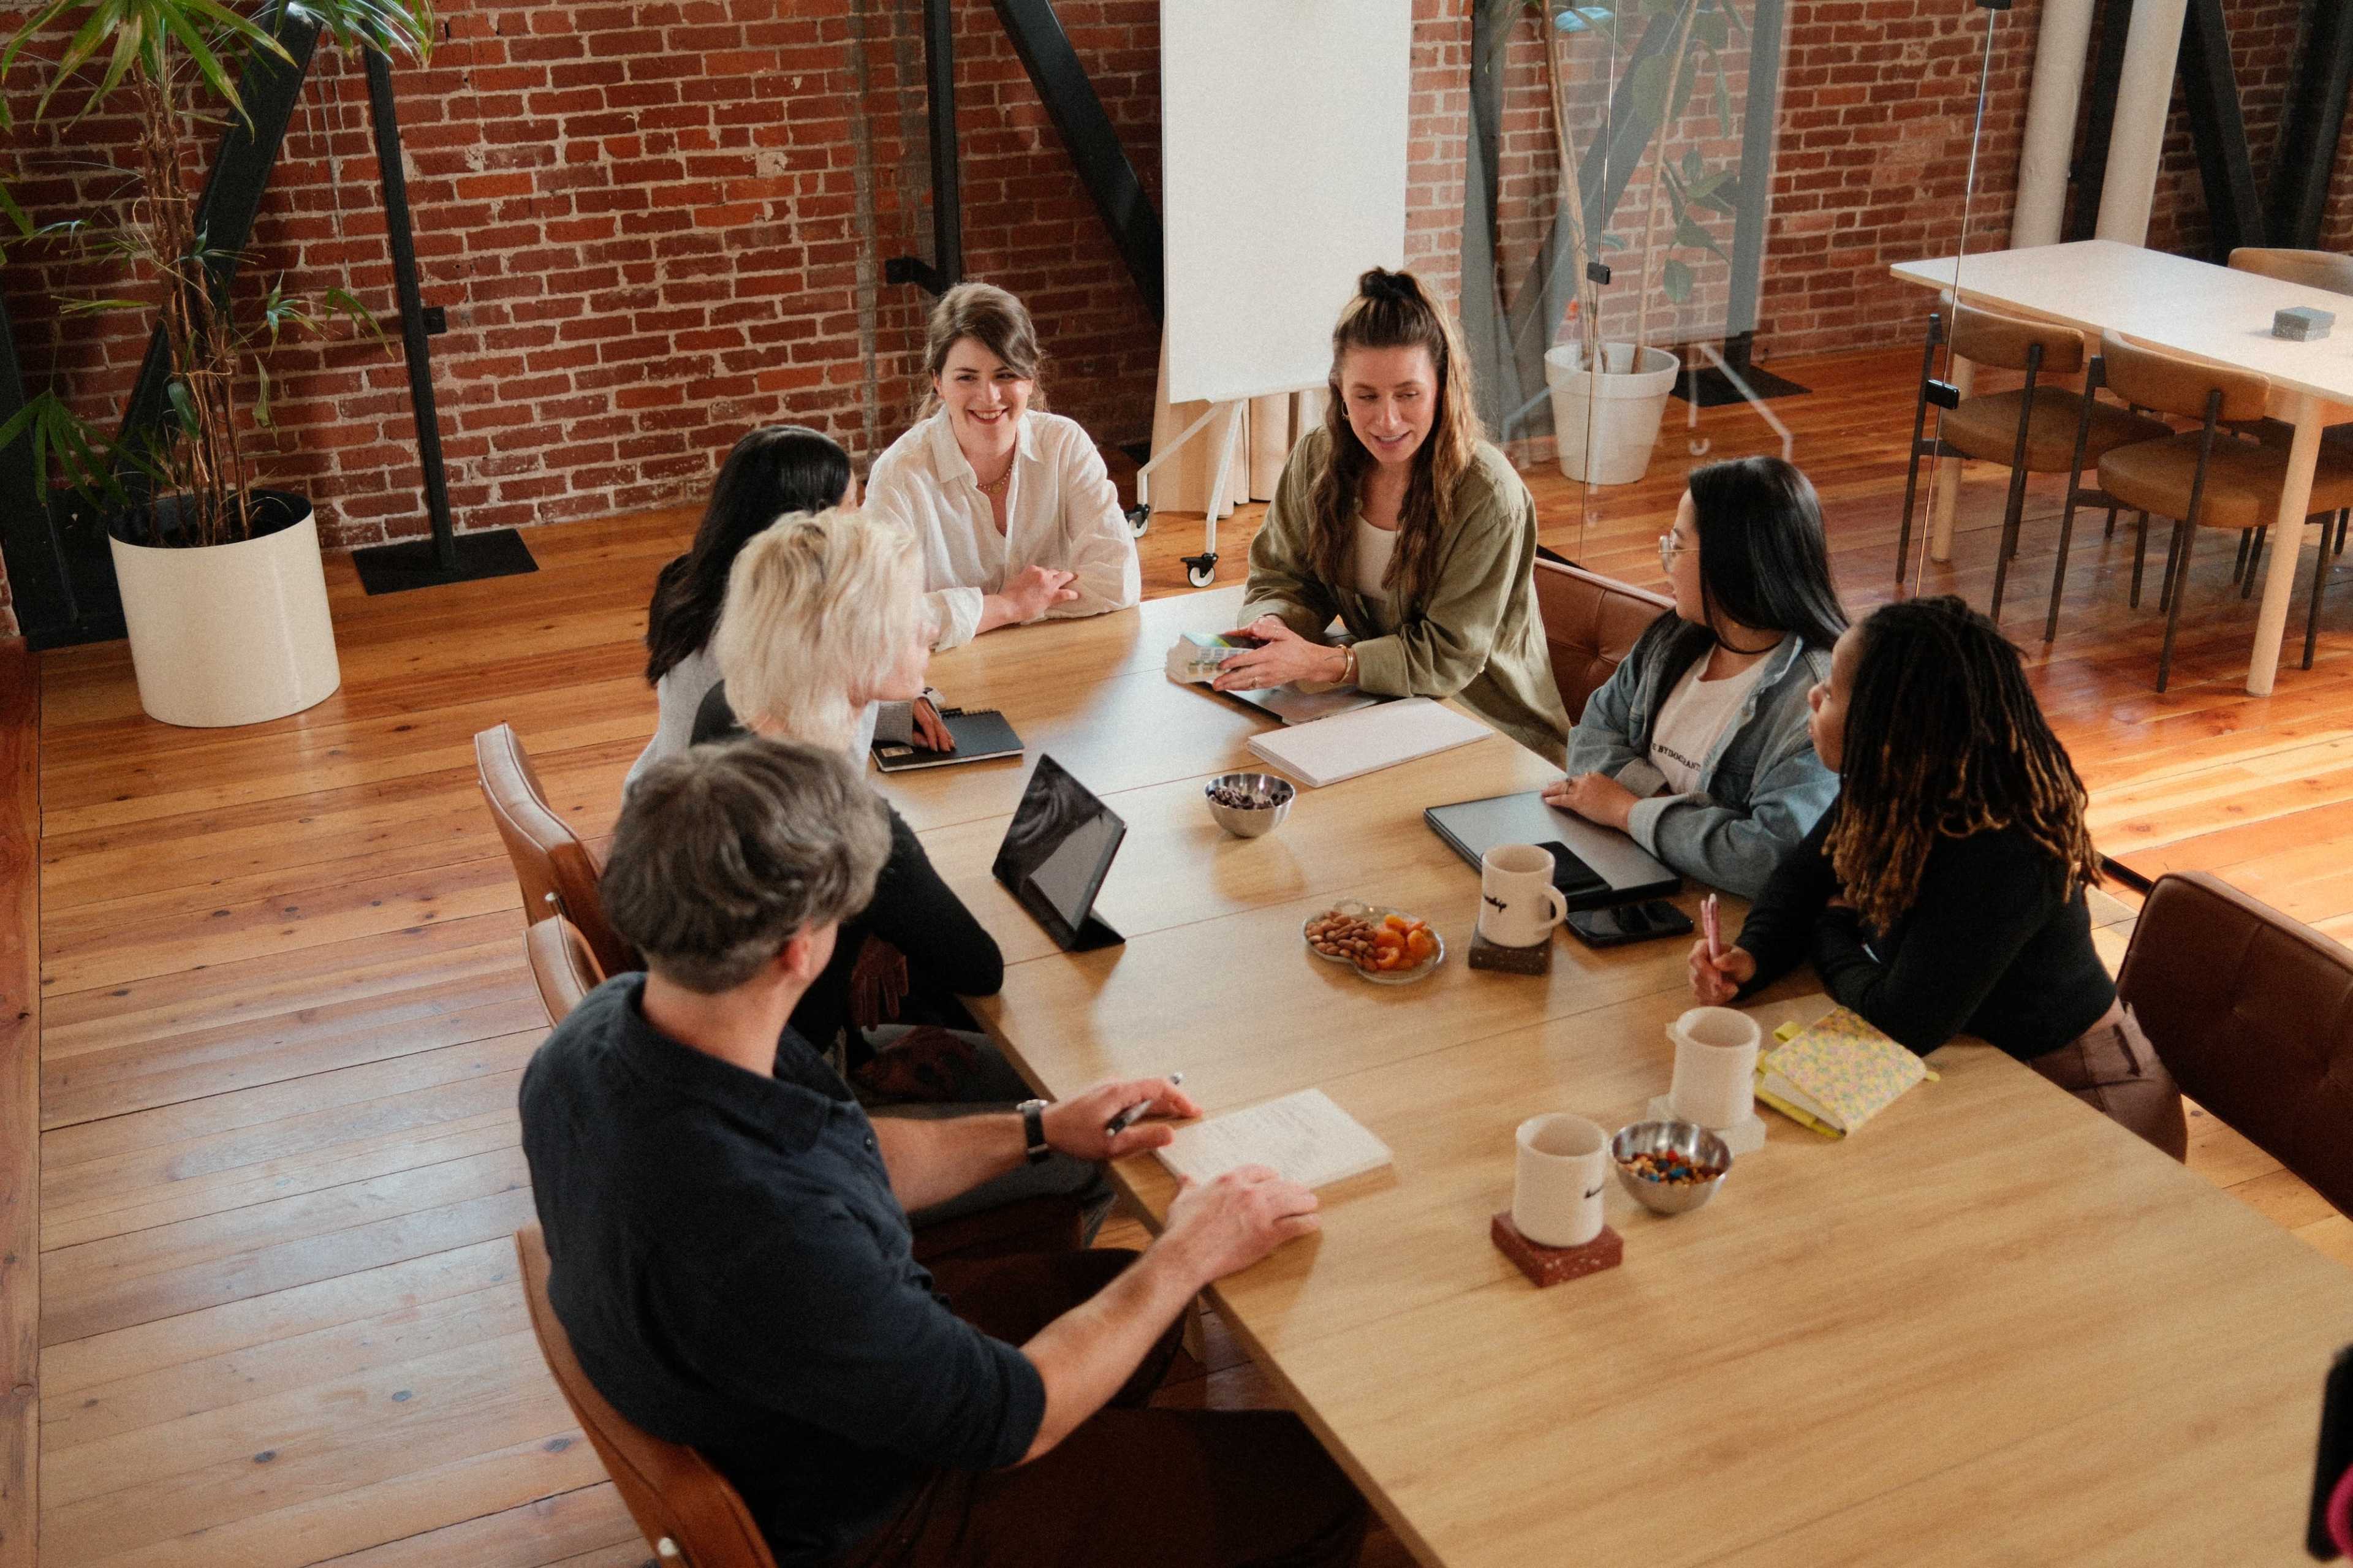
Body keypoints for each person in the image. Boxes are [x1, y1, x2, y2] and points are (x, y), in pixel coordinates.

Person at [519, 738, 1369, 1568]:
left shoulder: (615, 1028)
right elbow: (1015, 1417)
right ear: (798, 950)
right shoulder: (769, 1233)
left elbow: (847, 1151)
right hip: (886, 1512)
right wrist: (1184, 1252)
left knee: (1127, 1307)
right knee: (1325, 1476)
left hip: (784, 1400)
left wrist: (1038, 1128)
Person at [688, 509, 1090, 1226]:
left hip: (734, 1096)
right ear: (853, 641)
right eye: (910, 617)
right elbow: (978, 967)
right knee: (1094, 1137)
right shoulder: (845, 817)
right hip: (808, 1136)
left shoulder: (727, 710)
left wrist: (876, 921)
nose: (928, 629)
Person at [1689, 596, 2188, 1157]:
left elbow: (1899, 1022)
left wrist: (1831, 929)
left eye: (1831, 692)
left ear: (1887, 729)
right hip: (1989, 1065)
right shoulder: (1895, 785)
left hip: (2090, 1099)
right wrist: (1752, 956)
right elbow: (1801, 879)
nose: (1813, 695)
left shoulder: (2001, 849)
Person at [1212, 268, 1570, 762]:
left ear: (1443, 386)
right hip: (1383, 710)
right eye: (1366, 396)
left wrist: (1330, 663)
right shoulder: (1317, 459)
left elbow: (1448, 656)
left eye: (1408, 394)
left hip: (1492, 731)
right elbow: (1282, 576)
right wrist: (1271, 626)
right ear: (1339, 390)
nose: (1387, 420)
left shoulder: (1488, 496)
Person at [1544, 456, 1846, 897]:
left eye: (1678, 545)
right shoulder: (1674, 637)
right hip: (1628, 870)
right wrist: (1662, 809)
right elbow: (1591, 736)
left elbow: (1765, 859)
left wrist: (1628, 811)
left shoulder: (1819, 699)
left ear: (1733, 562)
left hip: (1722, 921)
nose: (1665, 558)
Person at [629, 425, 946, 793]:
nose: (864, 524)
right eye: (850, 509)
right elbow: (823, 769)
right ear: (805, 528)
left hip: (661, 793)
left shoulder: (697, 583)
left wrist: (889, 716)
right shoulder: (770, 632)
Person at [863, 281, 1142, 651]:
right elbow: (884, 624)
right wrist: (1009, 605)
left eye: (1005, 374)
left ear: (1030, 379)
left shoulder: (1065, 445)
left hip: (1057, 659)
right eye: (967, 377)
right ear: (938, 383)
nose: (989, 396)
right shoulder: (899, 474)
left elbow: (1118, 581)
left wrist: (972, 616)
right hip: (946, 677)